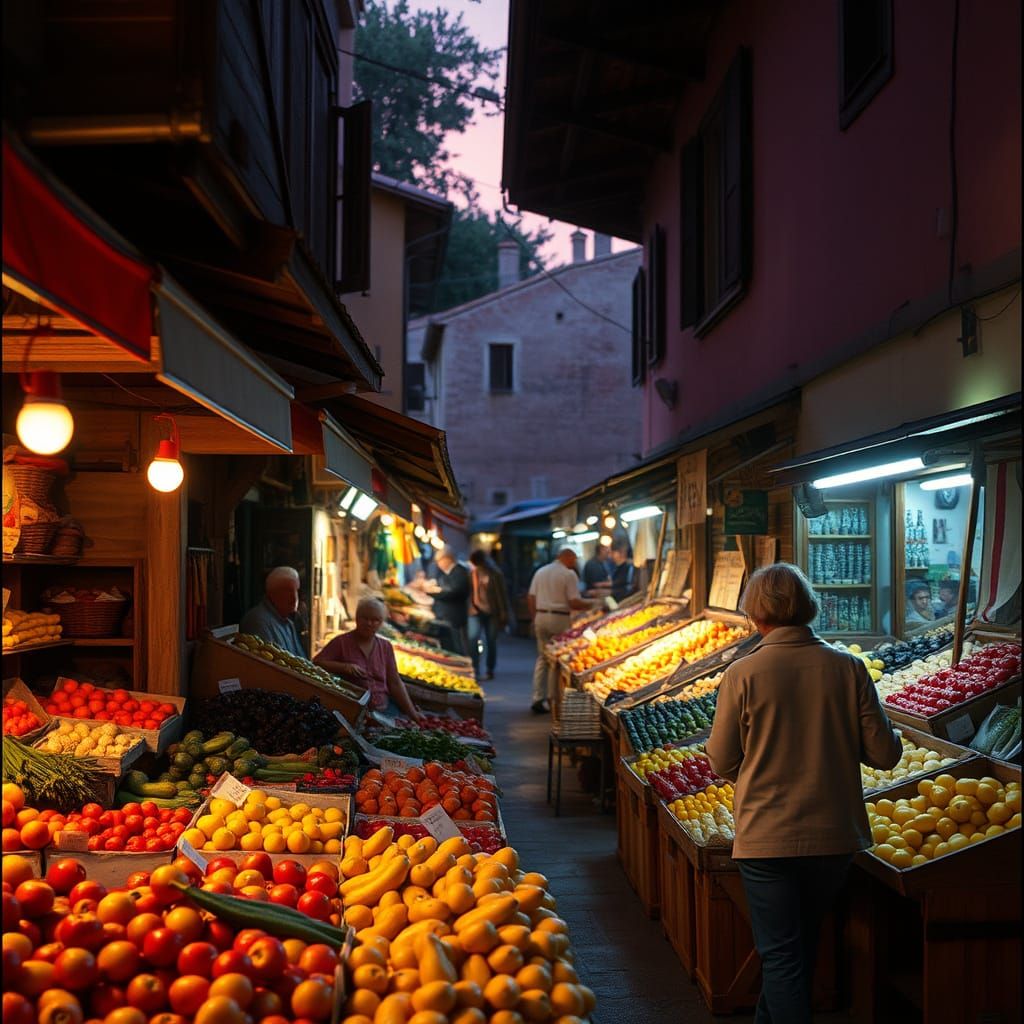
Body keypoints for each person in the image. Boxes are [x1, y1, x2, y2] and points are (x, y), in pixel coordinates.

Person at [706, 563, 901, 1024]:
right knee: (799, 948)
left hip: (767, 835)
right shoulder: (849, 667)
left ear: (755, 613)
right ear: (809, 606)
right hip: (834, 835)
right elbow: (884, 754)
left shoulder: (744, 673)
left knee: (782, 956)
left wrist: (758, 770)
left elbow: (720, 761)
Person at [314, 597, 423, 720]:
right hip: (350, 710)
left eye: (375, 620)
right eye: (365, 618)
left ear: (382, 623)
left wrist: (412, 713)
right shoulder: (341, 642)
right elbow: (317, 663)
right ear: (356, 618)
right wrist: (344, 667)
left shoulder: (385, 647)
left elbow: (395, 683)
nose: (369, 623)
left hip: (383, 710)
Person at [527, 547, 595, 714]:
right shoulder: (568, 574)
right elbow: (574, 602)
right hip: (559, 619)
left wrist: (534, 617)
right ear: (568, 558)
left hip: (541, 617)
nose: (575, 563)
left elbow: (531, 597)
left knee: (543, 657)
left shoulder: (540, 571)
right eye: (574, 560)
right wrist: (594, 603)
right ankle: (552, 699)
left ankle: (537, 697)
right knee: (556, 661)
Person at [239, 566, 306, 657]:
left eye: (296, 591)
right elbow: (266, 666)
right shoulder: (257, 621)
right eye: (287, 591)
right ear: (272, 592)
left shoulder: (289, 623)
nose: (294, 598)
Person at [468, 549, 511, 681]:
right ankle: (475, 669)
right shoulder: (471, 573)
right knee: (473, 640)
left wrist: (504, 611)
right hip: (474, 611)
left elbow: (501, 593)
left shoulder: (495, 574)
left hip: (492, 611)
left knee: (491, 640)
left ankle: (489, 669)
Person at [425, 545, 472, 655]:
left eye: (440, 561)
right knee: (451, 644)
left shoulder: (459, 571)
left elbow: (454, 591)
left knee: (456, 645)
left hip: (453, 615)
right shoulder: (448, 572)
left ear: (447, 559)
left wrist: (434, 592)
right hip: (446, 614)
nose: (439, 564)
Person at [609, 538, 636, 603]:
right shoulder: (618, 567)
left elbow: (627, 588)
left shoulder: (629, 567)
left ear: (622, 552)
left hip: (626, 601)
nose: (610, 556)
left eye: (613, 553)